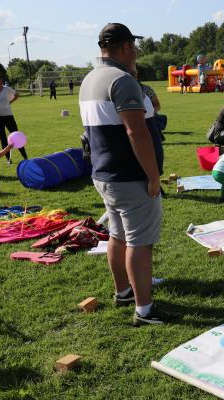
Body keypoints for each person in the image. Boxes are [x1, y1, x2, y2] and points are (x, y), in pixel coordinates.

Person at [79, 22, 174, 326]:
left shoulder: (90, 78)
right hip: (130, 176)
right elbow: (137, 132)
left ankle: (123, 292)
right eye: (134, 46)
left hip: (104, 174)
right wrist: (153, 176)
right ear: (125, 47)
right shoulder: (122, 80)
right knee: (139, 242)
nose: (136, 51)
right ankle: (144, 310)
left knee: (118, 236)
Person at [0, 71, 28, 164]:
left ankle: (25, 158)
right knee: (3, 138)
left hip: (8, 116)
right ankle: (8, 159)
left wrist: (10, 102)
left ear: (1, 80)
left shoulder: (6, 89)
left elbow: (16, 95)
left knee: (17, 136)